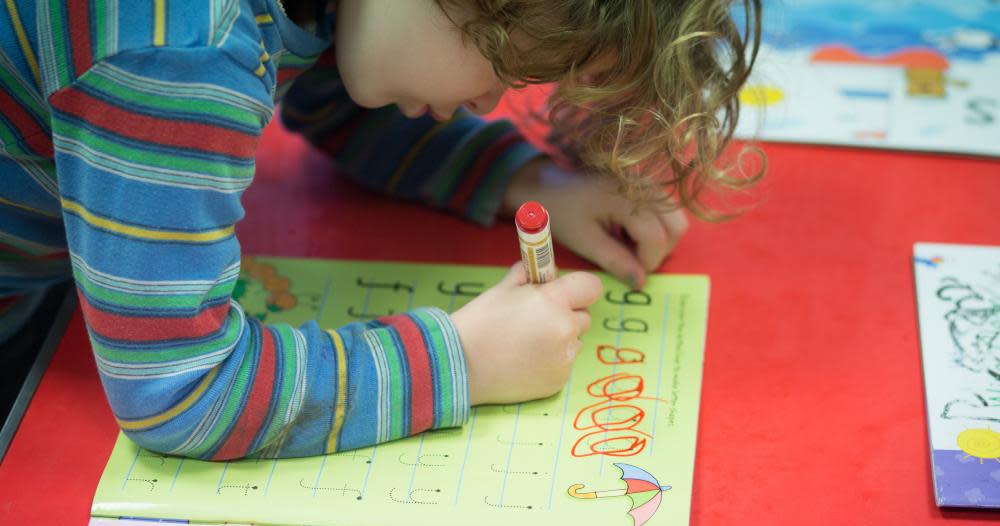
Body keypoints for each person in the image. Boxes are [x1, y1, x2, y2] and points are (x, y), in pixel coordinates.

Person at [0, 0, 761, 459]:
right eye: (501, 66)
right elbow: (183, 390)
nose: (490, 101)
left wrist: (528, 183)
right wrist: (462, 360)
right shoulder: (178, 49)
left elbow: (335, 95)